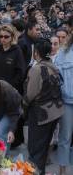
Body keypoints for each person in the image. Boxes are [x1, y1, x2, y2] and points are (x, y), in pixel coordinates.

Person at [23, 38, 64, 175]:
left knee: (35, 150)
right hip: (55, 112)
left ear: (36, 53)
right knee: (44, 147)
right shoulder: (53, 65)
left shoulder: (37, 69)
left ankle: (35, 172)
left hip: (41, 114)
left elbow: (30, 94)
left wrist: (23, 108)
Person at [54, 34, 73, 175]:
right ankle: (62, 172)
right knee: (64, 138)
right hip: (67, 101)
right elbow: (57, 77)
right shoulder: (63, 52)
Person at [0, 24, 25, 94]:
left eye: (6, 37)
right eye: (1, 36)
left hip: (10, 90)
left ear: (12, 37)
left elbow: (20, 73)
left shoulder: (17, 51)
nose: (3, 39)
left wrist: (11, 86)